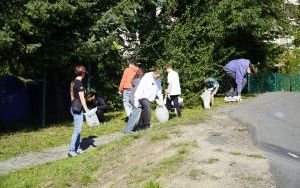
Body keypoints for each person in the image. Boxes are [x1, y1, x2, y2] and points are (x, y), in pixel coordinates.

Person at [126, 68, 163, 132]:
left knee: (144, 111)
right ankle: (146, 125)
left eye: (159, 76)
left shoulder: (158, 79)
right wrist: (136, 99)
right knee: (147, 107)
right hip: (142, 96)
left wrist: (161, 99)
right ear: (154, 73)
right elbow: (140, 87)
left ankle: (140, 126)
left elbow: (159, 89)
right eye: (157, 76)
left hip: (149, 98)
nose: (158, 78)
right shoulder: (147, 77)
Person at [69, 65, 90, 157]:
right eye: (85, 72)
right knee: (77, 130)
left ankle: (77, 148)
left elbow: (72, 96)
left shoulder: (73, 82)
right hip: (78, 109)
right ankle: (71, 150)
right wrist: (87, 111)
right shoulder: (79, 84)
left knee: (78, 129)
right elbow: (82, 99)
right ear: (83, 73)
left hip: (73, 107)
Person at [123, 68, 145, 134]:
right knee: (134, 115)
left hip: (132, 98)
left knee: (135, 114)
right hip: (136, 100)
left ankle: (136, 127)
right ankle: (127, 130)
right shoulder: (140, 81)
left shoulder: (135, 80)